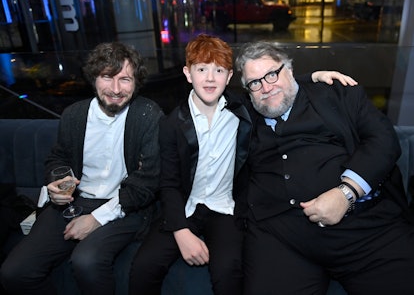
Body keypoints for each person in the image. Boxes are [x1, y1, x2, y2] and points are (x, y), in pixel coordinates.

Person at [128, 34, 358, 295]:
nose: (210, 78)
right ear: (188, 73)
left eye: (219, 70)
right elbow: (168, 182)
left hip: (226, 209)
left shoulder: (243, 110)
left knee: (229, 270)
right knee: (144, 268)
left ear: (229, 78)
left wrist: (312, 77)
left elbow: (272, 89)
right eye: (201, 69)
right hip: (184, 206)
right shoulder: (170, 123)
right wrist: (180, 230)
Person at [234, 41, 414, 295]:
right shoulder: (244, 114)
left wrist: (346, 192)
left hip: (364, 230)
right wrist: (307, 77)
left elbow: (384, 140)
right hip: (282, 239)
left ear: (290, 70)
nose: (266, 87)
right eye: (255, 83)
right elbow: (210, 91)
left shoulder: (339, 94)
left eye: (272, 74)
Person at [0, 42, 164, 295]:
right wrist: (57, 184)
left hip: (124, 206)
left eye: (125, 79)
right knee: (15, 272)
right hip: (73, 202)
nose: (116, 89)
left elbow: (149, 181)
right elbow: (59, 157)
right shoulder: (74, 115)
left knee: (86, 261)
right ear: (94, 78)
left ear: (136, 82)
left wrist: (96, 219)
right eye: (107, 77)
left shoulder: (148, 115)